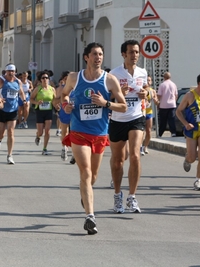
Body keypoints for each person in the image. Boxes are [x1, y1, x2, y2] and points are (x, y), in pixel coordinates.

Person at [61, 42, 127, 234]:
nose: (98, 57)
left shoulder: (110, 80)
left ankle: (85, 193)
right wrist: (66, 105)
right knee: (86, 172)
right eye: (94, 54)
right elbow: (64, 96)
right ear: (86, 57)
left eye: (101, 54)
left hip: (99, 133)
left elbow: (123, 106)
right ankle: (90, 216)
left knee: (94, 177)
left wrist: (106, 103)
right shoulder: (74, 77)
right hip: (79, 131)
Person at [108, 39, 149, 213]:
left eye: (137, 52)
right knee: (118, 162)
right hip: (118, 119)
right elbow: (107, 98)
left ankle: (132, 197)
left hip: (136, 117)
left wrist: (146, 93)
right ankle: (118, 196)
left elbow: (146, 88)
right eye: (131, 52)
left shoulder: (142, 72)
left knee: (135, 156)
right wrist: (118, 95)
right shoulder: (114, 74)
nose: (134, 55)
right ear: (123, 54)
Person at [176, 73, 200, 191]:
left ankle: (198, 180)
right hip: (192, 130)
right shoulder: (190, 95)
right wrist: (186, 124)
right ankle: (187, 159)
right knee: (192, 157)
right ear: (199, 84)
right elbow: (178, 111)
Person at [0, 64, 26, 164]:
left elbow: (21, 92)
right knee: (1, 133)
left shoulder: (17, 81)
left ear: (15, 72)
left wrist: (24, 100)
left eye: (13, 71)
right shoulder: (0, 80)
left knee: (11, 131)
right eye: (9, 71)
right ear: (5, 71)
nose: (11, 73)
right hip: (2, 110)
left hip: (13, 110)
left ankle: (10, 155)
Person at [30, 71, 57, 155]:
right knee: (41, 132)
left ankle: (44, 148)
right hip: (40, 111)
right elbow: (31, 99)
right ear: (40, 80)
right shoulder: (38, 89)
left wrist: (57, 107)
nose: (45, 79)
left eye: (46, 78)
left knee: (47, 131)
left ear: (49, 79)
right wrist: (37, 103)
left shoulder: (52, 89)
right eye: (43, 78)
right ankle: (38, 136)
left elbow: (55, 100)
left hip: (48, 111)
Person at [55, 71, 72, 161]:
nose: (67, 80)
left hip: (74, 112)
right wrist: (57, 105)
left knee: (74, 132)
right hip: (64, 111)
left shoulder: (75, 87)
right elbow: (55, 100)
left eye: (68, 78)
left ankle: (74, 152)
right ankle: (64, 148)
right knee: (64, 131)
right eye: (65, 78)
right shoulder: (61, 89)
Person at [141, 76, 158, 155]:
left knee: (148, 131)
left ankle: (145, 146)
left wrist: (156, 101)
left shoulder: (152, 91)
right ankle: (140, 146)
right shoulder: (141, 90)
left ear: (151, 82)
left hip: (149, 112)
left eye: (149, 80)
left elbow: (157, 102)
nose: (148, 82)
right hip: (141, 113)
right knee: (142, 131)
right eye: (146, 80)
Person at [157, 72, 178, 137]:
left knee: (163, 121)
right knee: (171, 119)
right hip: (172, 105)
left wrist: (158, 103)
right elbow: (176, 95)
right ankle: (173, 132)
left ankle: (160, 133)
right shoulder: (173, 84)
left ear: (164, 77)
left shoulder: (162, 85)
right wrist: (174, 101)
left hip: (163, 105)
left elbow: (159, 95)